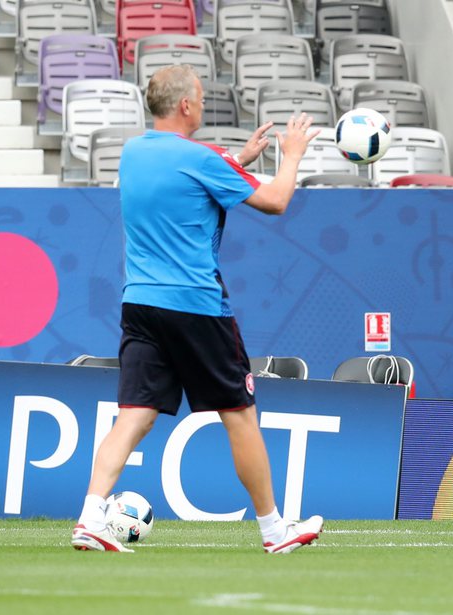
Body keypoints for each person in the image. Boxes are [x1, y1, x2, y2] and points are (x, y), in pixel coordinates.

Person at [70, 65, 320, 554]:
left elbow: (188, 176)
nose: (203, 106)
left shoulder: (133, 152)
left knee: (134, 416)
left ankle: (90, 517)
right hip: (196, 306)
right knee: (240, 415)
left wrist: (239, 159)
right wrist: (290, 156)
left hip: (140, 303)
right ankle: (275, 531)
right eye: (201, 99)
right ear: (185, 105)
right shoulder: (202, 159)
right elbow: (275, 200)